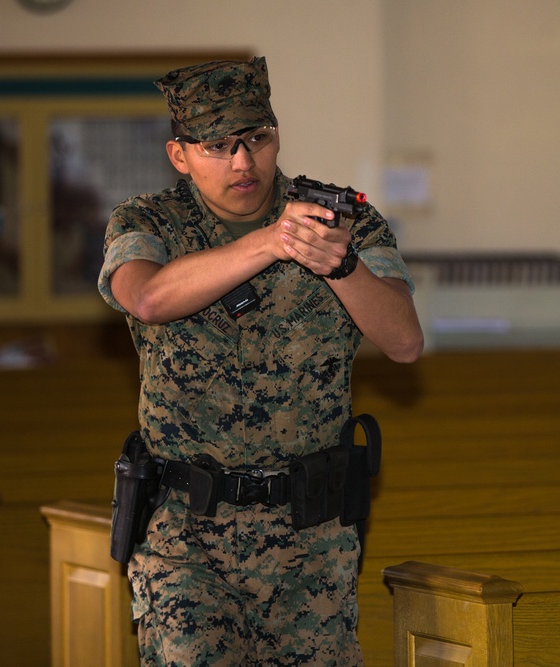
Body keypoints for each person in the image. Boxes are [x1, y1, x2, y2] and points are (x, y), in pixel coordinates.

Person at [98, 56, 424, 666]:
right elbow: (144, 296)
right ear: (180, 155)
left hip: (312, 535)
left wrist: (342, 265)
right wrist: (270, 241)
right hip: (185, 536)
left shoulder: (340, 223)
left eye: (257, 140)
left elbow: (405, 343)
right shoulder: (148, 221)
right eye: (219, 147)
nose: (243, 162)